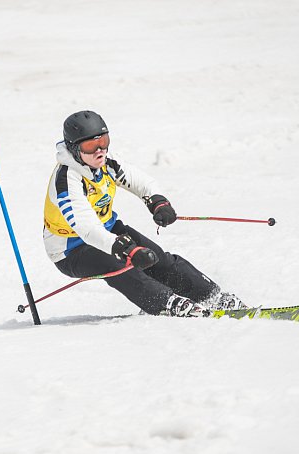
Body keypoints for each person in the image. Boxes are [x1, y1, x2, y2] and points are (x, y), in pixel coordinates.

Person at [43, 110, 245, 317]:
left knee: (156, 258)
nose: (100, 150)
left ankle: (212, 297)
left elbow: (141, 182)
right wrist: (124, 249)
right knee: (117, 266)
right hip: (71, 248)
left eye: (103, 141)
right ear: (74, 148)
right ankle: (166, 304)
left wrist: (158, 202)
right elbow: (86, 228)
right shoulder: (67, 180)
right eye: (90, 146)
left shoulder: (106, 162)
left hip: (108, 229)